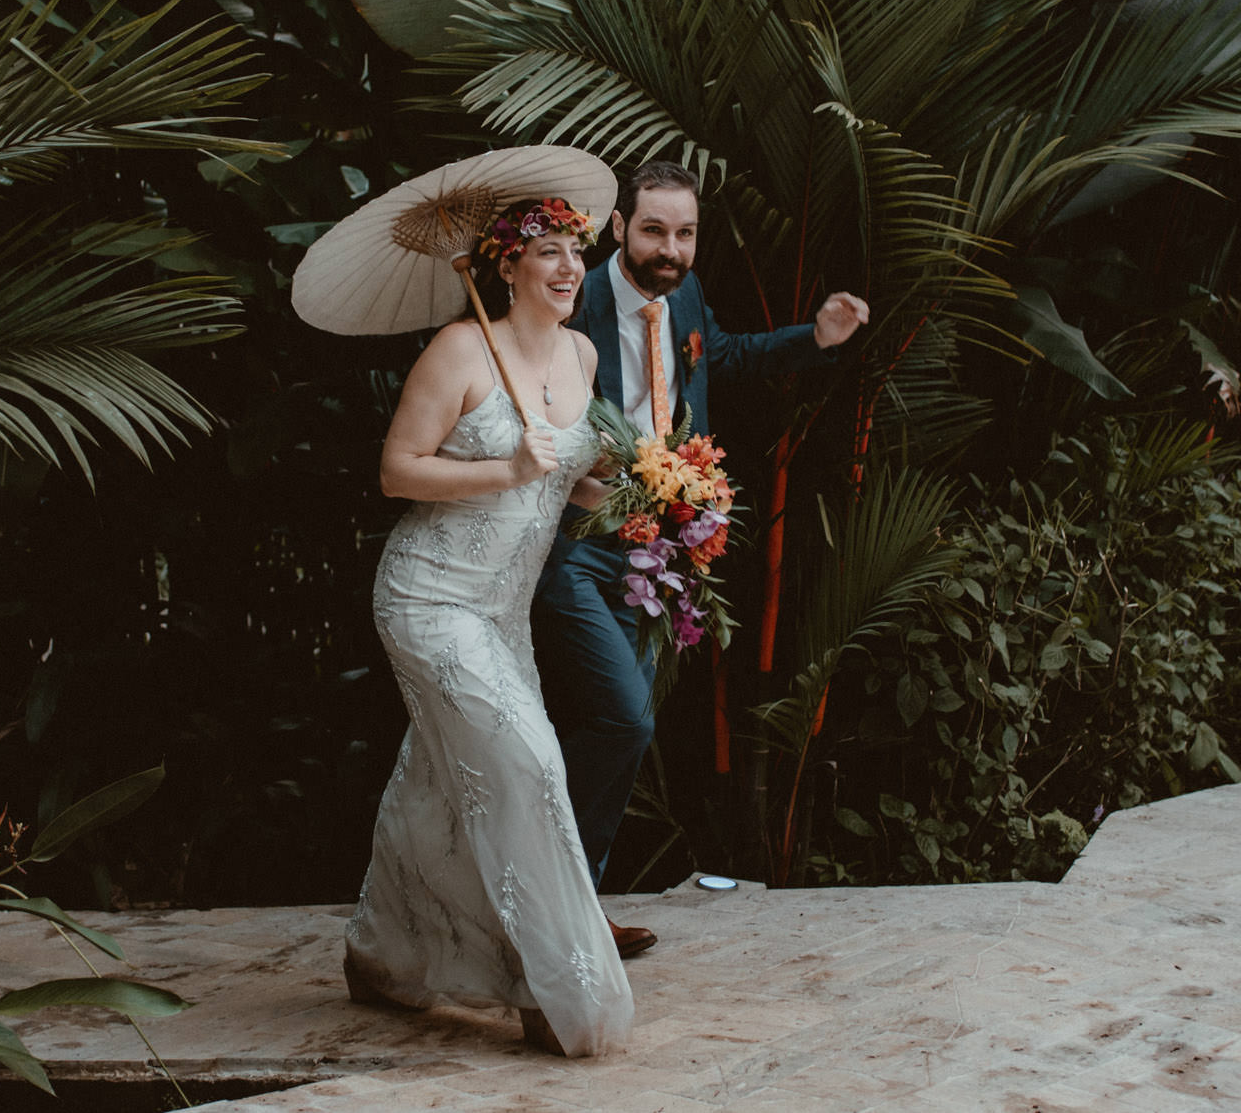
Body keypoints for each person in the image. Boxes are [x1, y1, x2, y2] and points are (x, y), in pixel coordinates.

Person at [534, 161, 869, 953]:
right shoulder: (571, 299)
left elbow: (724, 354)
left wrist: (816, 338)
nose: (670, 248)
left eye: (685, 233)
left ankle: (573, 908)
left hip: (663, 554)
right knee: (623, 717)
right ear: (619, 228)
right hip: (576, 546)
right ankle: (545, 897)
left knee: (627, 731)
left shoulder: (681, 294)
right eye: (653, 230)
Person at [343, 196, 633, 1058]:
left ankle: (384, 957)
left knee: (439, 780)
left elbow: (572, 484)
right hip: (430, 597)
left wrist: (644, 492)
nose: (568, 267)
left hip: (503, 610)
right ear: (505, 267)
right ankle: (551, 985)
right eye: (546, 251)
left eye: (575, 251)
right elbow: (398, 471)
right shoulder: (462, 347)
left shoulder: (582, 352)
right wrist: (506, 465)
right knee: (531, 761)